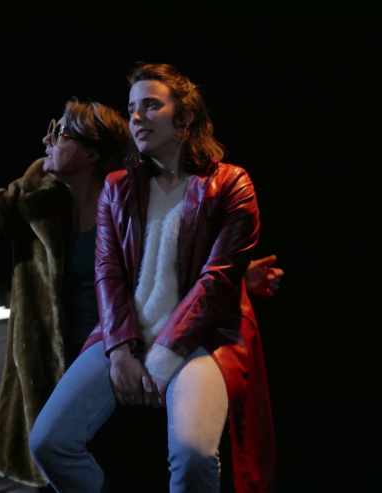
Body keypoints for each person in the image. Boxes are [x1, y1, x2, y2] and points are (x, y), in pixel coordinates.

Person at [0, 95, 282, 489]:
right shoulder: (35, 195)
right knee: (61, 454)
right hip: (63, 363)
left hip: (135, 353)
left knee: (142, 466)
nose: (46, 139)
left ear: (92, 154)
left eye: (60, 132)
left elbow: (182, 262)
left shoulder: (133, 196)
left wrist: (241, 275)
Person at [29, 63, 277, 493]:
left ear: (185, 117)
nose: (137, 117)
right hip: (125, 334)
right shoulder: (116, 187)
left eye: (150, 106)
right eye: (131, 109)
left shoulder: (231, 184)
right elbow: (108, 274)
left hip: (203, 338)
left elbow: (217, 283)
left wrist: (162, 358)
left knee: (193, 456)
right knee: (49, 442)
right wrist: (119, 350)